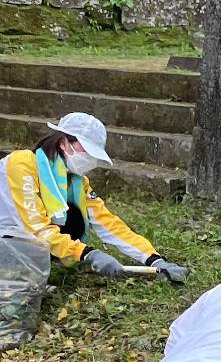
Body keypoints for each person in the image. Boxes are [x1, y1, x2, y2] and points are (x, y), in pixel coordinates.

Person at [1, 113, 187, 283]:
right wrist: (86, 253)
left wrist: (153, 259)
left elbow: (107, 222)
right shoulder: (21, 164)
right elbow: (35, 227)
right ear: (64, 142)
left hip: (19, 245)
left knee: (74, 217)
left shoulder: (77, 181)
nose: (90, 158)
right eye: (86, 151)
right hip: (8, 240)